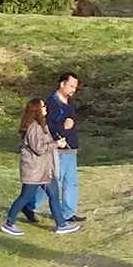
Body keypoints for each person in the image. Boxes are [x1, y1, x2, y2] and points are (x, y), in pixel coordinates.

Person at [0, 97, 77, 235]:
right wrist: (56, 144)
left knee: (54, 195)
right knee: (25, 197)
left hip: (45, 170)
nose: (46, 108)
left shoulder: (42, 125)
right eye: (43, 106)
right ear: (36, 110)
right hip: (34, 171)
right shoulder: (34, 127)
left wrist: (57, 142)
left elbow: (45, 144)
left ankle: (61, 224)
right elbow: (39, 149)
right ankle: (9, 223)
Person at [45, 72, 84, 225]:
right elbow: (49, 127)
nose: (73, 90)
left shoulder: (69, 103)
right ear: (62, 84)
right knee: (54, 181)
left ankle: (68, 212)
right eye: (71, 86)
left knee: (71, 182)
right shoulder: (52, 103)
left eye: (75, 87)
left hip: (70, 147)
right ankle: (30, 205)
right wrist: (63, 127)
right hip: (58, 148)